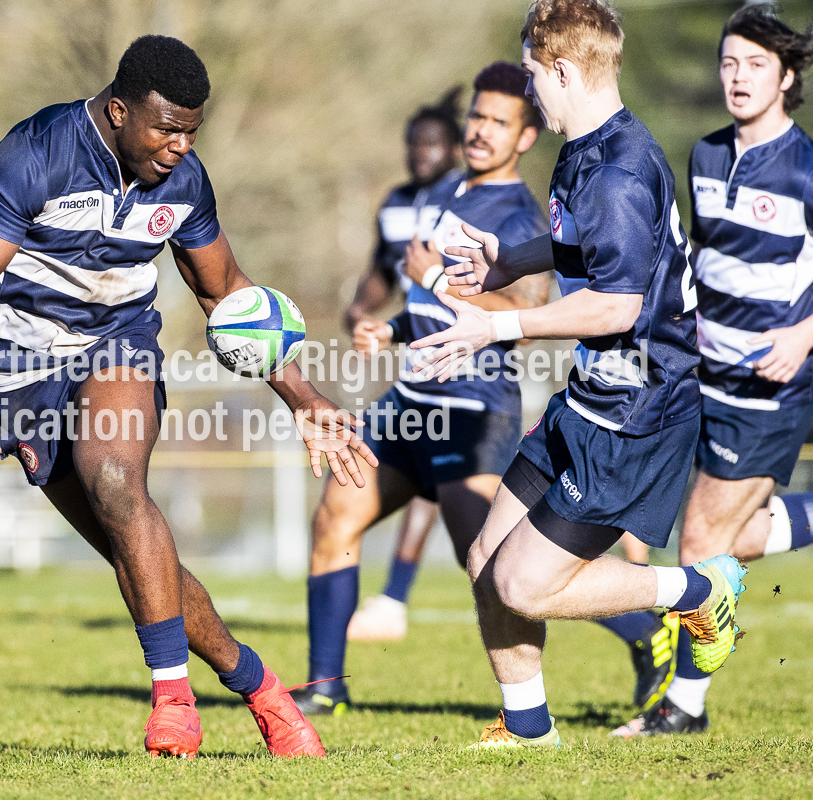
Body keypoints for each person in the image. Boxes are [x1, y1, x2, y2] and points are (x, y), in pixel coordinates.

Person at [0, 35, 377, 759]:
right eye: (165, 128)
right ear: (116, 111)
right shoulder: (36, 152)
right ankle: (260, 687)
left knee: (116, 481)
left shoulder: (184, 181)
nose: (178, 147)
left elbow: (224, 291)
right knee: (131, 550)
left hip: (118, 344)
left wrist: (304, 397)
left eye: (190, 133)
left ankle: (172, 702)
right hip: (20, 368)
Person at [420, 0, 746, 748]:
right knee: (484, 557)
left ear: (563, 70)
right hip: (589, 401)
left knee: (522, 583)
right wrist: (509, 262)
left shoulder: (620, 172)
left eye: (533, 75)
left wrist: (495, 324)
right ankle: (529, 728)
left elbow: (614, 306)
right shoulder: (586, 150)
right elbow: (581, 246)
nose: (530, 89)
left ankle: (701, 589)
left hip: (635, 419)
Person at [294, 63, 551, 717]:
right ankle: (324, 687)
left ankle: (640, 638)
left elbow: (526, 312)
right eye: (477, 116)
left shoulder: (519, 212)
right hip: (410, 404)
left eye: (498, 122)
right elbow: (439, 311)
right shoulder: (452, 195)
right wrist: (393, 328)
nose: (480, 131)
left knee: (494, 567)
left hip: (472, 411)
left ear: (524, 138)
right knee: (334, 517)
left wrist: (436, 277)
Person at [612, 4, 813, 738]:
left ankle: (682, 708)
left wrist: (803, 331)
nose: (736, 76)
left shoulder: (804, 167)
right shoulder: (701, 155)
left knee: (699, 545)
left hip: (772, 385)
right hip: (704, 375)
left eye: (754, 64)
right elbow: (698, 258)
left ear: (785, 76)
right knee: (722, 536)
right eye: (727, 63)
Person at [339, 90, 464, 645]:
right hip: (415, 365)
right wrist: (362, 307)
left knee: (495, 547)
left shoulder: (469, 197)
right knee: (366, 487)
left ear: (456, 148)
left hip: (466, 371)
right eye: (414, 144)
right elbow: (381, 271)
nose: (422, 153)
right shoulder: (394, 203)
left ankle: (634, 624)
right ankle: (379, 613)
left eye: (433, 143)